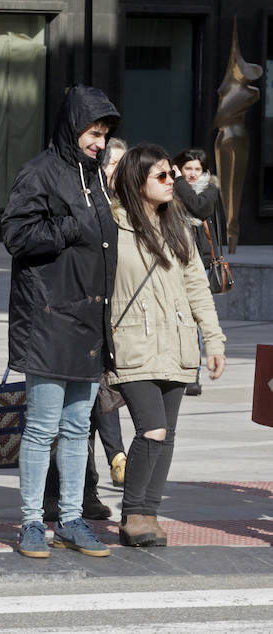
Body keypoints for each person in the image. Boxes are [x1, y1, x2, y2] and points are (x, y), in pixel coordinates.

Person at [2, 85, 119, 559]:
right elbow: (14, 234)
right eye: (94, 132)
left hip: (88, 322)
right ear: (73, 128)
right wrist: (69, 225)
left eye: (105, 133)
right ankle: (32, 521)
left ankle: (71, 518)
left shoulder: (94, 177)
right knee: (42, 428)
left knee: (76, 430)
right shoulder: (40, 173)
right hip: (49, 319)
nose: (100, 141)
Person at [109, 143, 226, 547]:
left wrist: (213, 340)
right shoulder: (112, 225)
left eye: (172, 174)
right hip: (132, 344)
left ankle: (149, 512)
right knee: (153, 429)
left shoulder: (178, 223)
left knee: (168, 433)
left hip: (177, 344)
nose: (171, 181)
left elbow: (196, 285)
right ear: (136, 181)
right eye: (162, 175)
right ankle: (132, 514)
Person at [172, 147, 226, 396]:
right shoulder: (168, 190)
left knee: (195, 316)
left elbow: (200, 209)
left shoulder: (209, 189)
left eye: (197, 169)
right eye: (187, 169)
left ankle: (193, 371)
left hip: (201, 263)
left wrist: (179, 182)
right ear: (179, 167)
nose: (193, 174)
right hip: (174, 261)